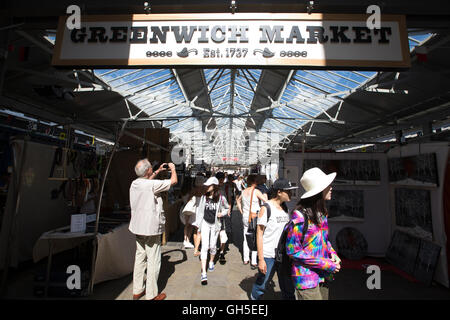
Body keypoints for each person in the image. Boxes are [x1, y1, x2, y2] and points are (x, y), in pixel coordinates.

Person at [285, 167, 341, 300]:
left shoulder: (322, 214)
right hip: (306, 278)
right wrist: (326, 264)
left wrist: (332, 254)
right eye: (328, 185)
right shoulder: (299, 216)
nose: (331, 188)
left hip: (323, 275)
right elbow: (293, 251)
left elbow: (324, 240)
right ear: (320, 190)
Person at [129, 159, 178, 300]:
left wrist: (158, 171)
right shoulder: (151, 185)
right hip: (150, 228)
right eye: (151, 167)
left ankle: (137, 290)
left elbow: (147, 181)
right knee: (153, 260)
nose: (152, 167)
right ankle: (151, 295)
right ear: (147, 171)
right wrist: (173, 169)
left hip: (138, 227)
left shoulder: (135, 184)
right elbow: (173, 181)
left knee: (140, 258)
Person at [250, 179, 297, 300]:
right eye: (289, 192)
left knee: (288, 287)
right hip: (268, 255)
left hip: (283, 255)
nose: (291, 194)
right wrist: (261, 259)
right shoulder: (266, 208)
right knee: (262, 284)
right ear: (279, 192)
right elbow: (259, 234)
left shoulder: (285, 208)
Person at [194, 176, 229, 285]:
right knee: (204, 246)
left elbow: (227, 208)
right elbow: (200, 212)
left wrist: (221, 213)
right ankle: (203, 273)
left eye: (209, 186)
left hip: (215, 224)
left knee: (213, 246)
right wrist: (198, 226)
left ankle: (211, 261)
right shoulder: (204, 197)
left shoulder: (221, 198)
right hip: (205, 223)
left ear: (214, 186)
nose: (207, 187)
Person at [239, 174, 267, 269]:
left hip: (245, 216)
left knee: (246, 236)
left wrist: (241, 211)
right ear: (254, 182)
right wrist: (265, 194)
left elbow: (238, 201)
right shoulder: (256, 191)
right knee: (255, 237)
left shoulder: (243, 191)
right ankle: (254, 261)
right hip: (254, 216)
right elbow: (265, 201)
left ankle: (246, 258)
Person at [180, 175, 205, 254]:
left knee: (192, 226)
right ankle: (199, 244)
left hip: (194, 209)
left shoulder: (194, 190)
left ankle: (193, 243)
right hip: (201, 208)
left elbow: (189, 198)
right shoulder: (204, 190)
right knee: (199, 228)